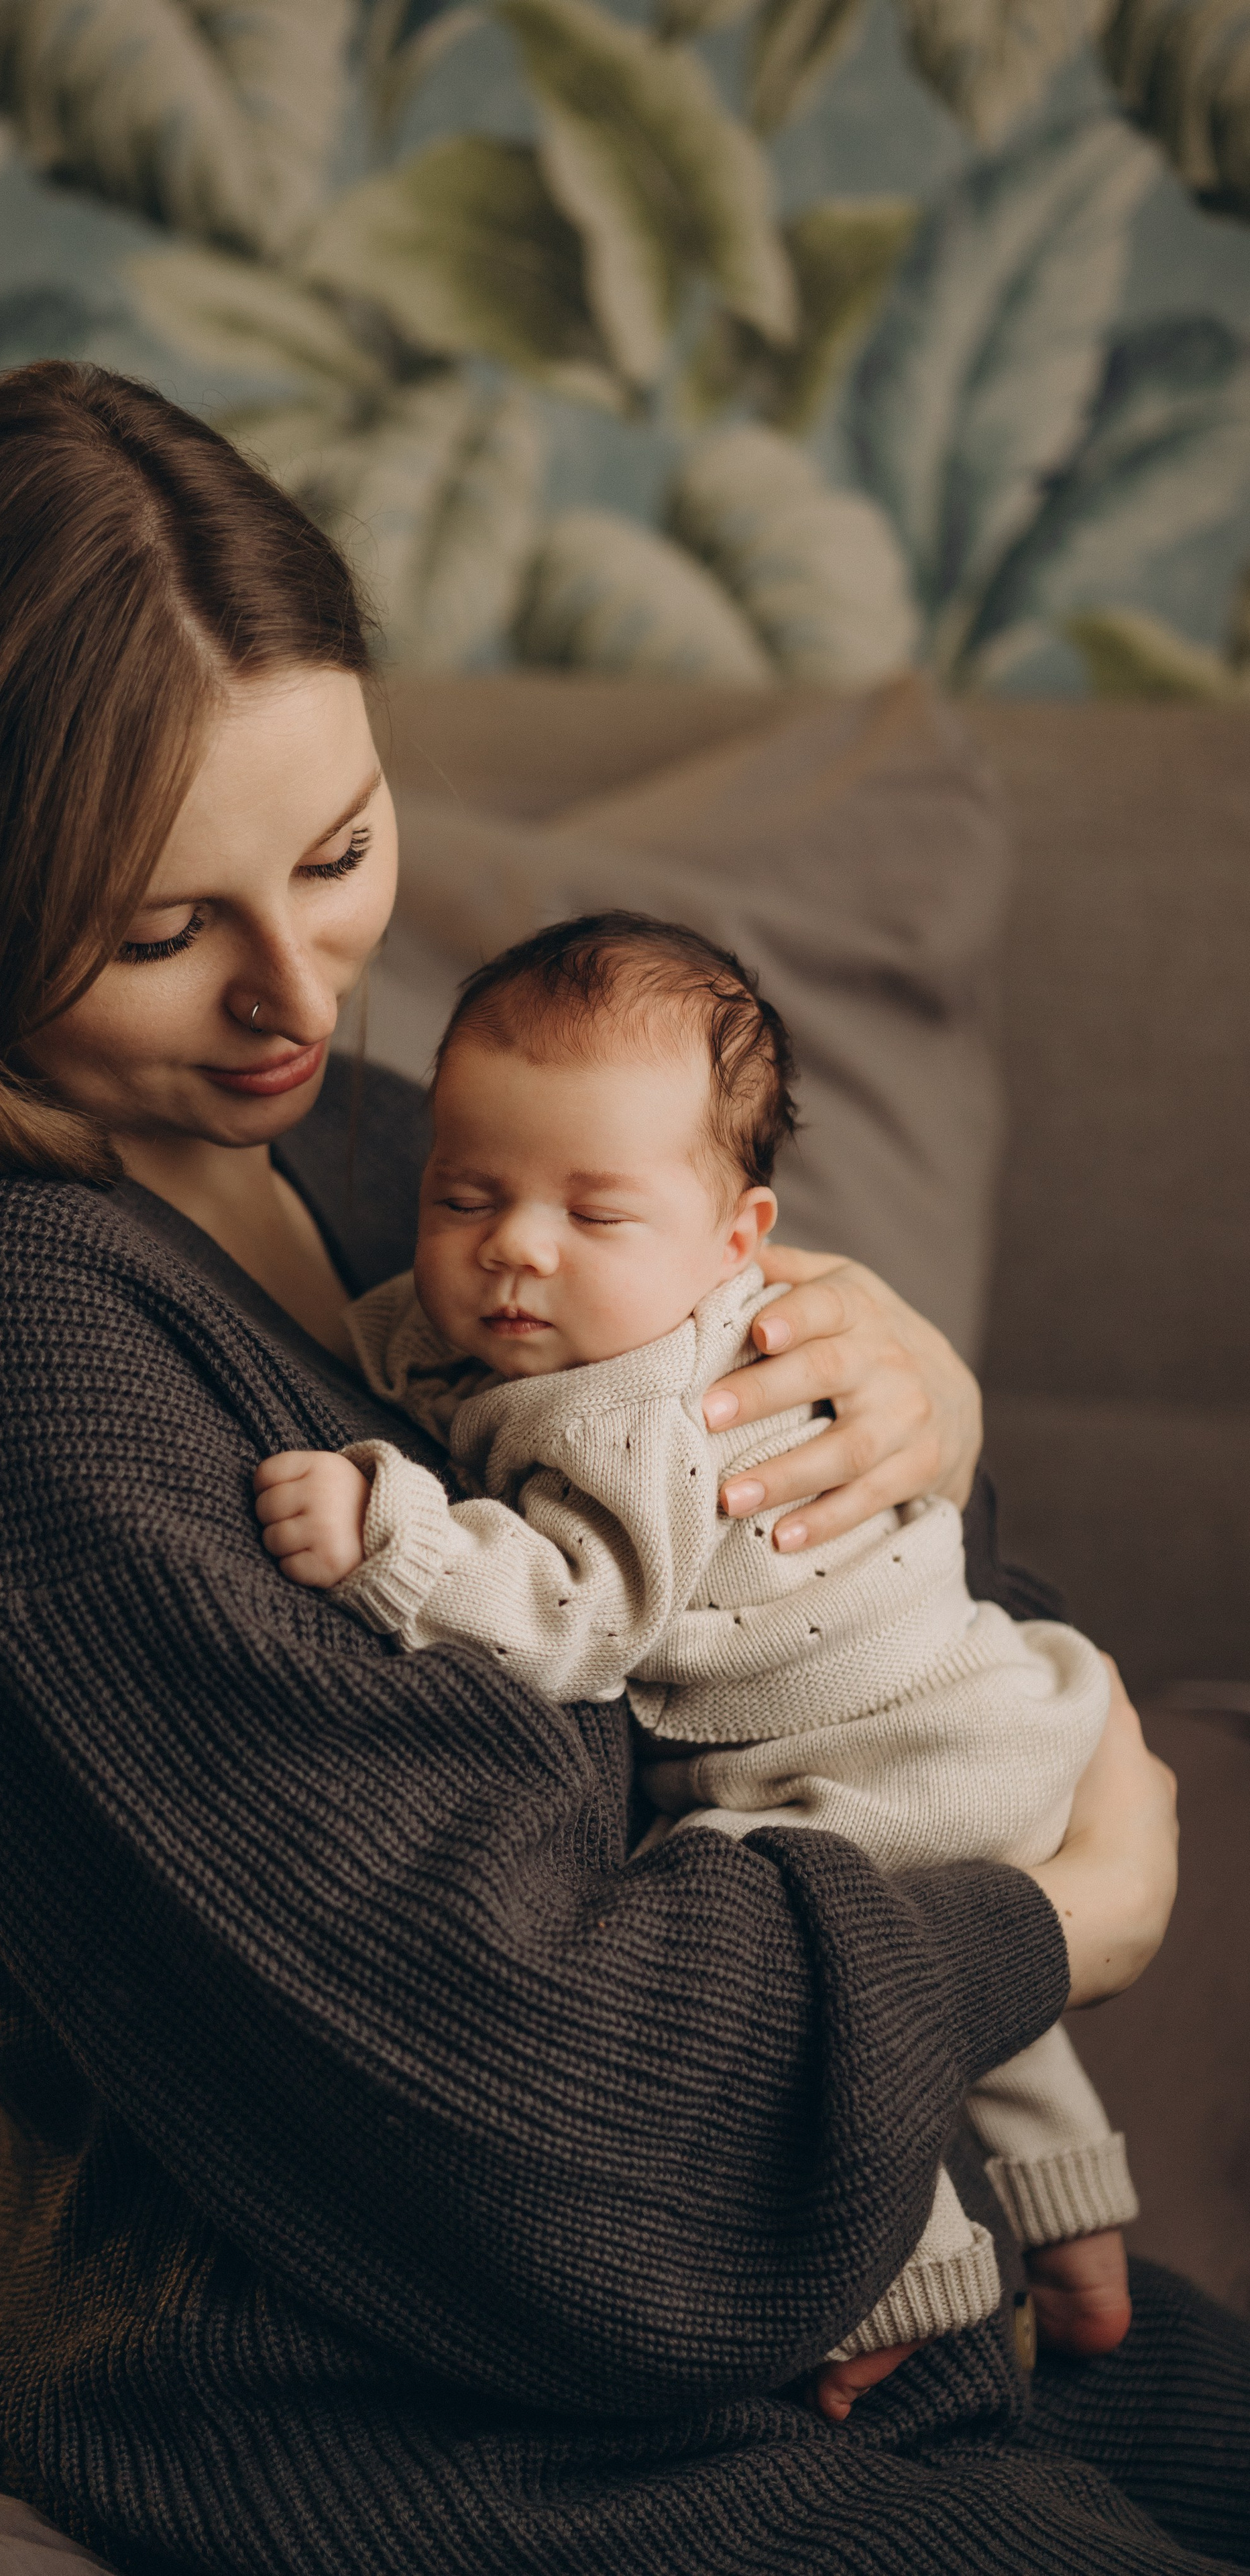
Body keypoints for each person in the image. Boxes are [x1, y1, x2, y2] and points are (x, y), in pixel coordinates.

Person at [0, 362, 1233, 2575]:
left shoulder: (403, 1162)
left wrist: (919, 1426)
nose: (300, 997)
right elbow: (545, 2135)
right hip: (426, 2406)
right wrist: (1051, 1925)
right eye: (157, 929)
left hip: (873, 2250)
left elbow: (875, 1647)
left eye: (337, 851)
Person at [253, 910, 1137, 2416]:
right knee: (1003, 2028)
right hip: (988, 1709)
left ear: (741, 1238)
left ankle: (903, 2280)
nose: (514, 1251)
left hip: (878, 1762)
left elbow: (577, 1619)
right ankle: (1078, 2227)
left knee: (774, 1950)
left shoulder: (626, 1412)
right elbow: (417, 1343)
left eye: (593, 1219)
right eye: (465, 1196)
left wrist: (386, 1529)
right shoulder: (615, 1313)